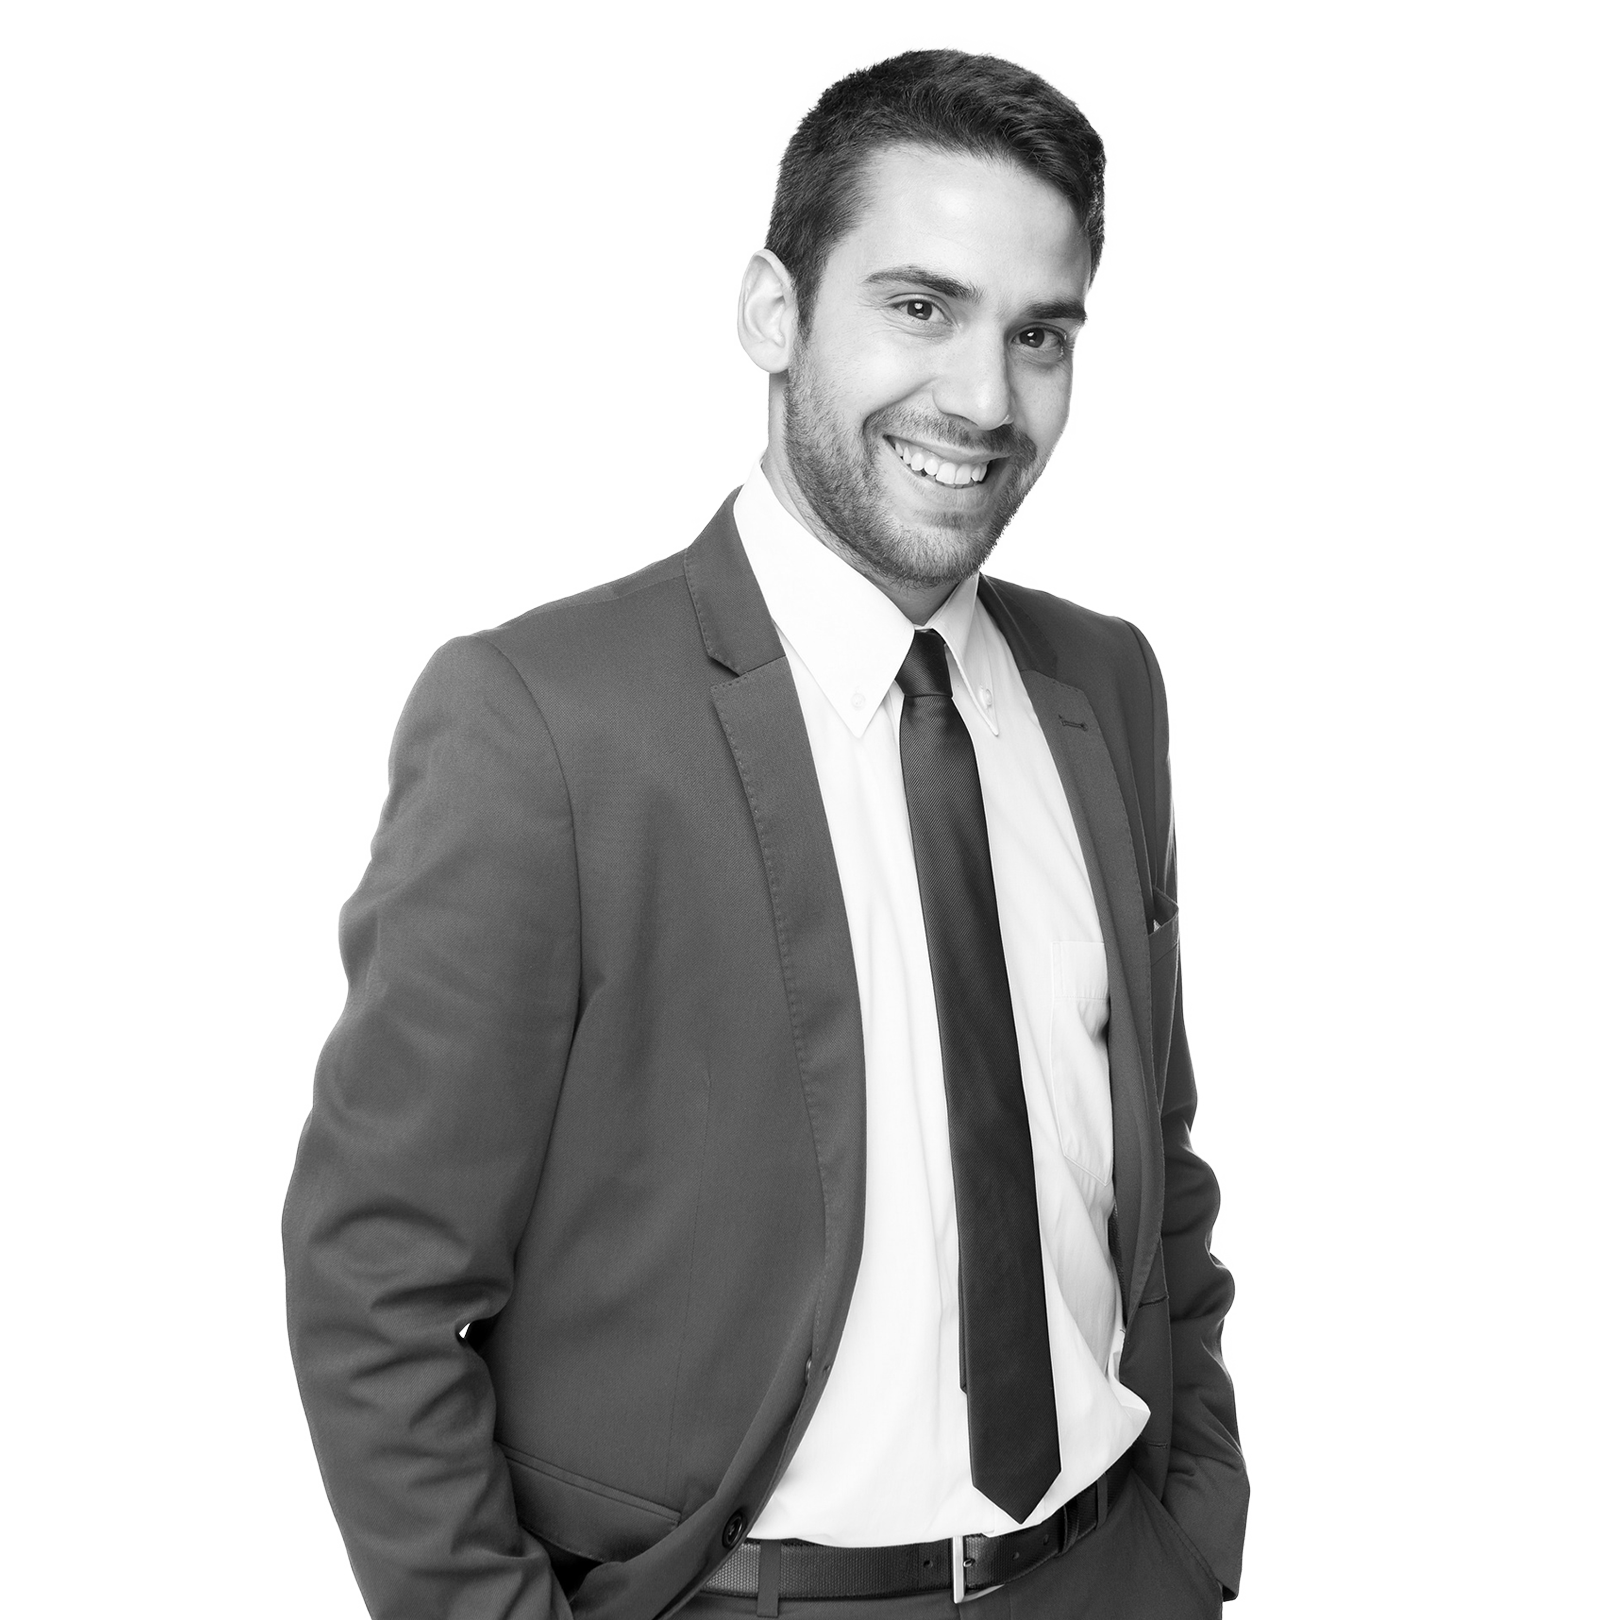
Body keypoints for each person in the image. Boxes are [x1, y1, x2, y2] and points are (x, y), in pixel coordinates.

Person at [283, 46, 1248, 1620]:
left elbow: (1154, 1164)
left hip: (1110, 1571)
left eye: (1041, 334)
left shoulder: (1105, 688)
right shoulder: (544, 723)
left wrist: (1194, 1534)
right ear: (773, 313)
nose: (984, 400)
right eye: (920, 307)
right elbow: (376, 1279)